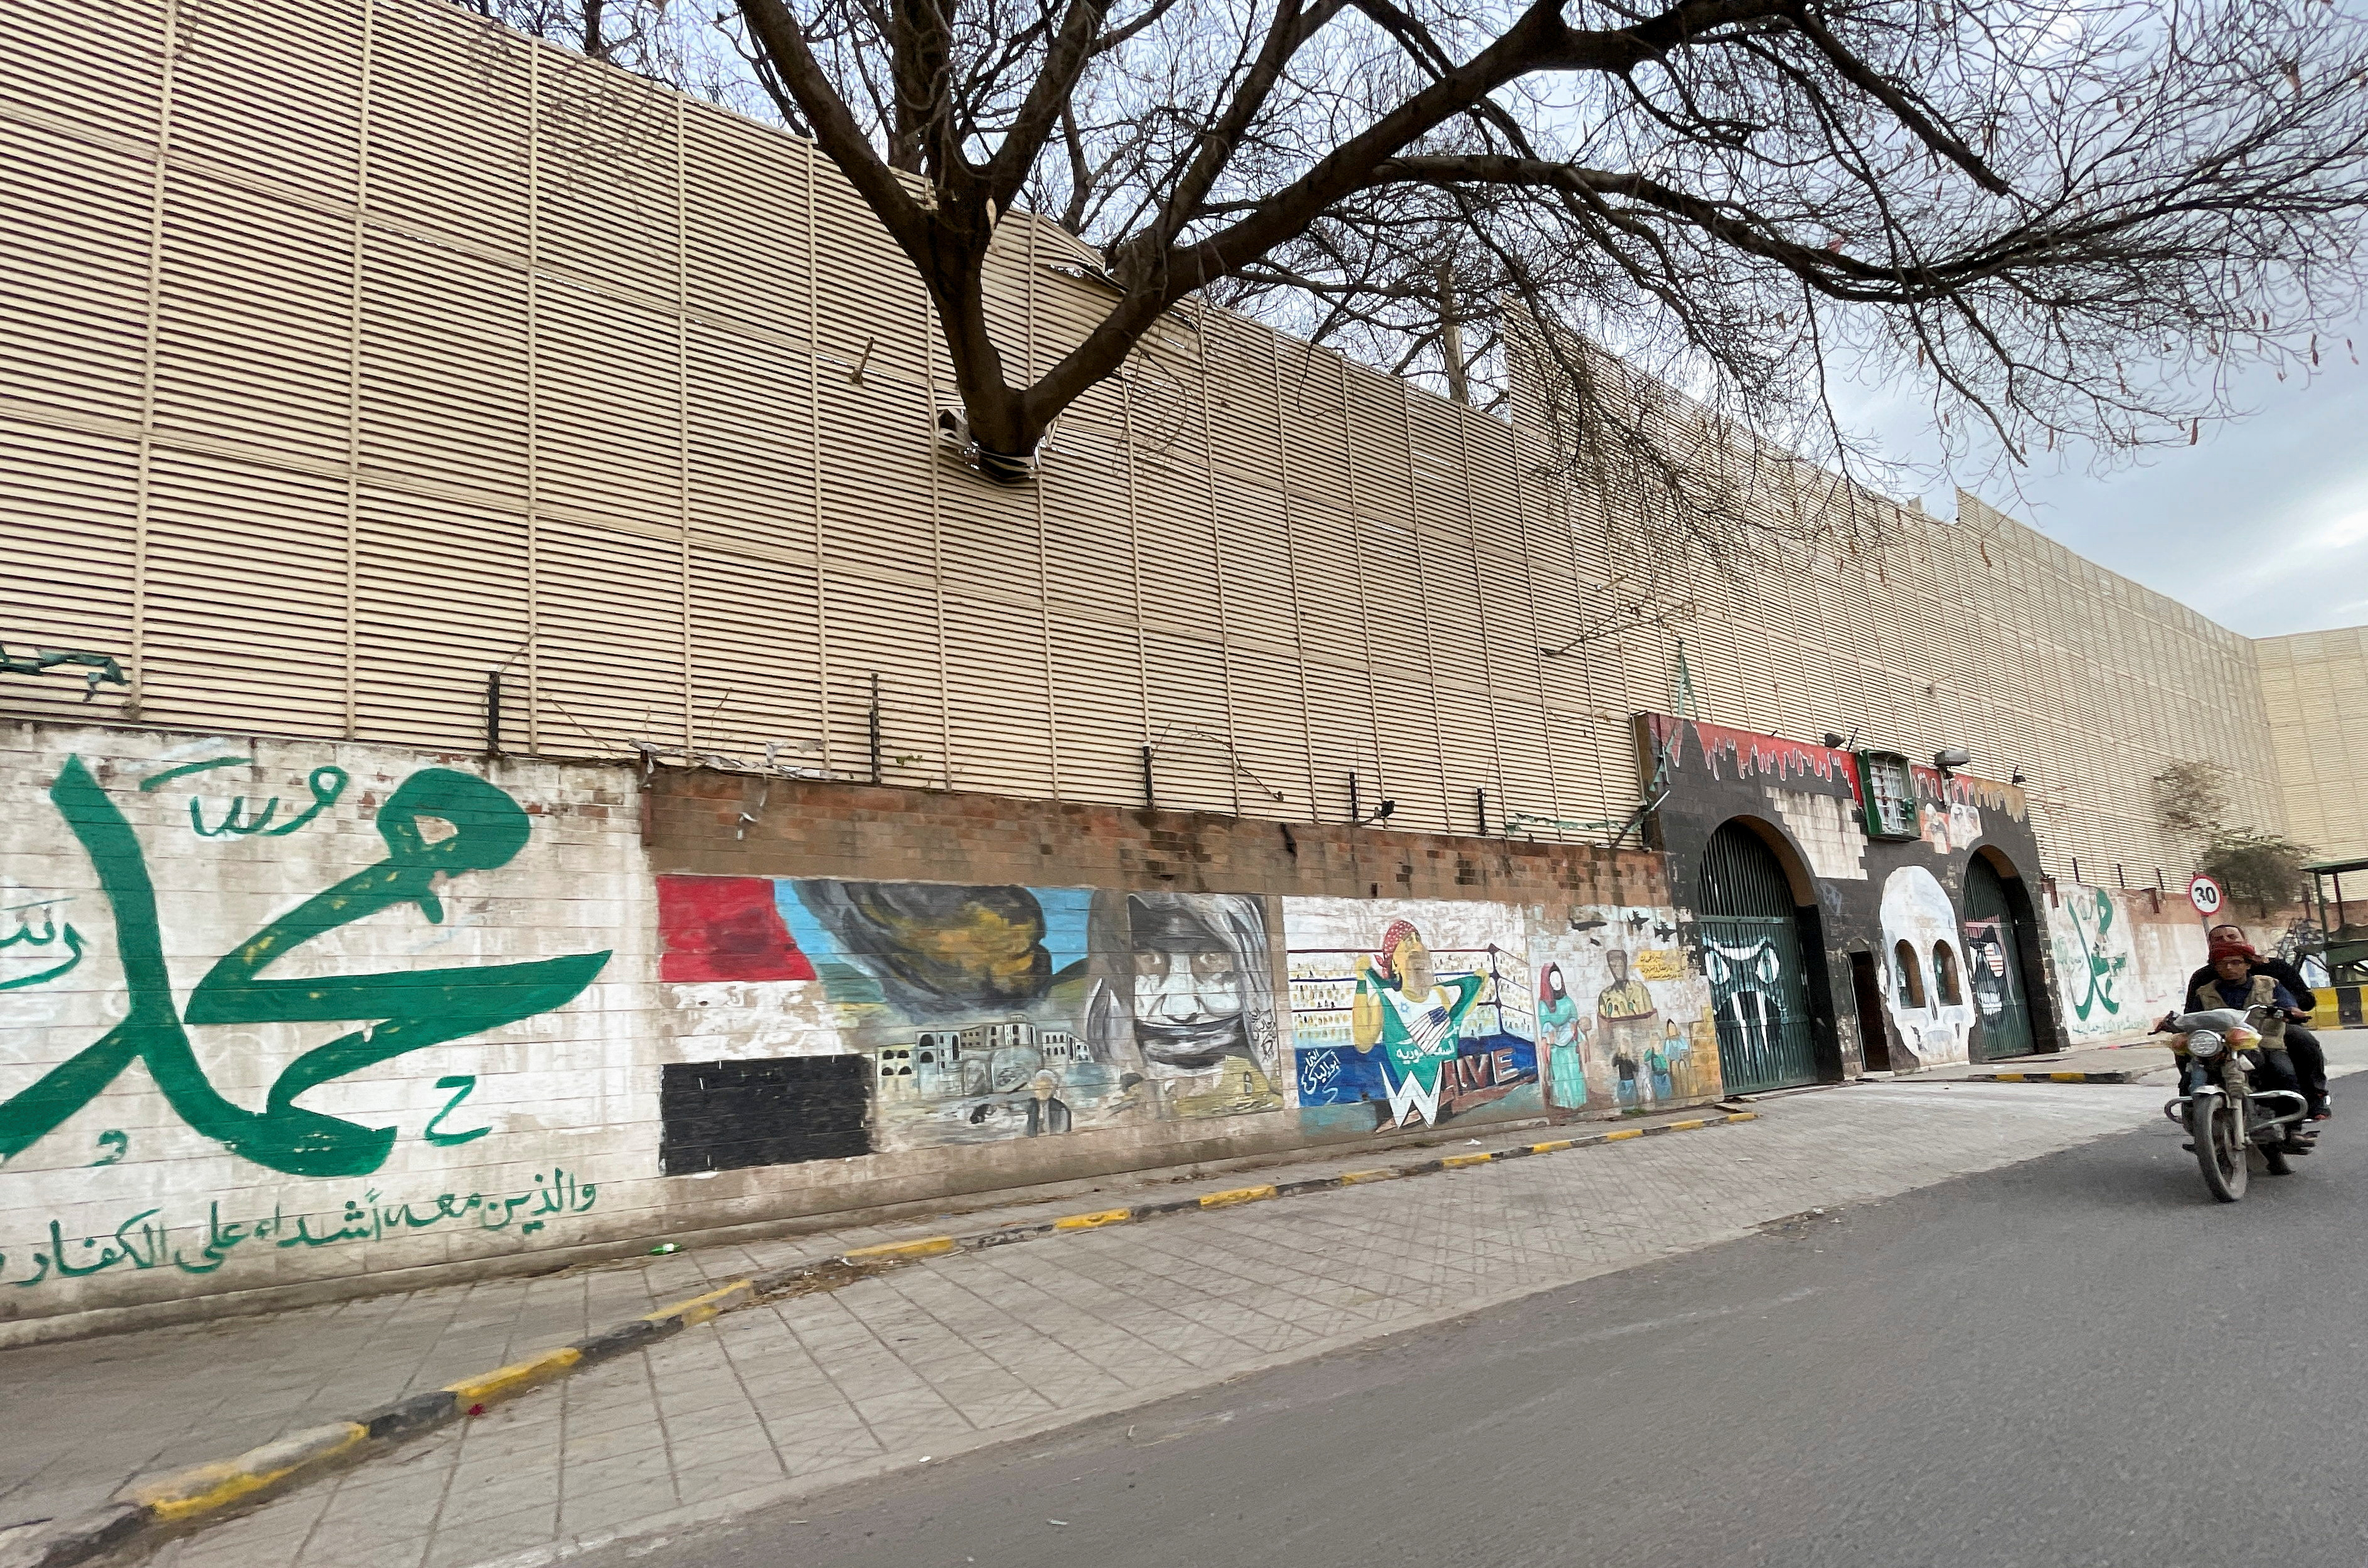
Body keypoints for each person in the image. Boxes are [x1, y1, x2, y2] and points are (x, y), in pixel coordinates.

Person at [2170, 940, 2310, 1149]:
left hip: (2265, 1043)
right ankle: (2201, 1132)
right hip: (2220, 1047)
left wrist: (2292, 1011)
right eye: (2222, 964)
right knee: (2188, 1082)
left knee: (2284, 1072)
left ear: (2248, 964)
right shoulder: (2204, 992)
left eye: (2236, 962)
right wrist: (2174, 1024)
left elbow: (2288, 1004)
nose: (2229, 968)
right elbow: (2191, 1018)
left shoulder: (2269, 984)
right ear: (2215, 967)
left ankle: (2293, 1129)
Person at [2186, 924, 2329, 1120]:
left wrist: (2287, 1008)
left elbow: (2304, 998)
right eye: (2219, 939)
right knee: (2189, 1050)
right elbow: (2191, 1011)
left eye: (2231, 936)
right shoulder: (2203, 978)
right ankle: (2191, 1105)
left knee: (2303, 1042)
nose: (2229, 968)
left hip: (2269, 1025)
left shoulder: (2275, 969)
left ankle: (2314, 1099)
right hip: (2224, 1033)